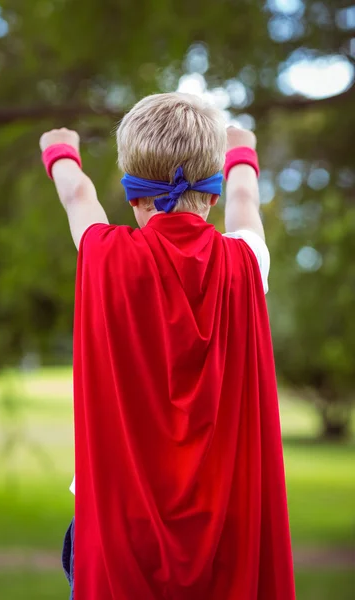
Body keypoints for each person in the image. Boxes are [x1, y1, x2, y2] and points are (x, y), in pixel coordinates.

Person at [40, 92, 295, 600]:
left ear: (134, 195)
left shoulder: (105, 256)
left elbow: (78, 197)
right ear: (213, 194)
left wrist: (60, 152)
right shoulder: (245, 264)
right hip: (225, 531)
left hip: (119, 536)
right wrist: (242, 151)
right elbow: (246, 202)